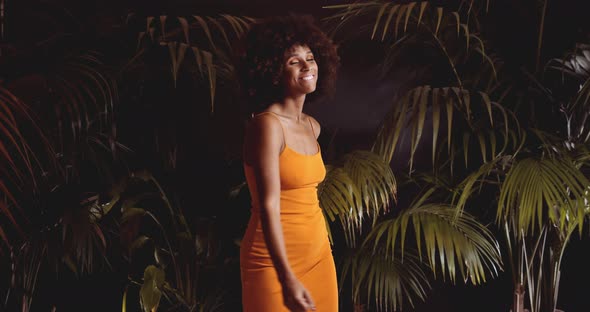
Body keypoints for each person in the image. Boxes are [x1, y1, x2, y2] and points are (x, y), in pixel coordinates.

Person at [235, 13, 340, 312]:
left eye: (310, 57)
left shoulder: (313, 126)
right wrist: (287, 278)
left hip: (319, 256)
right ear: (272, 70)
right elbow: (268, 206)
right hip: (272, 263)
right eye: (294, 61)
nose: (307, 66)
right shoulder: (266, 126)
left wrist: (319, 249)